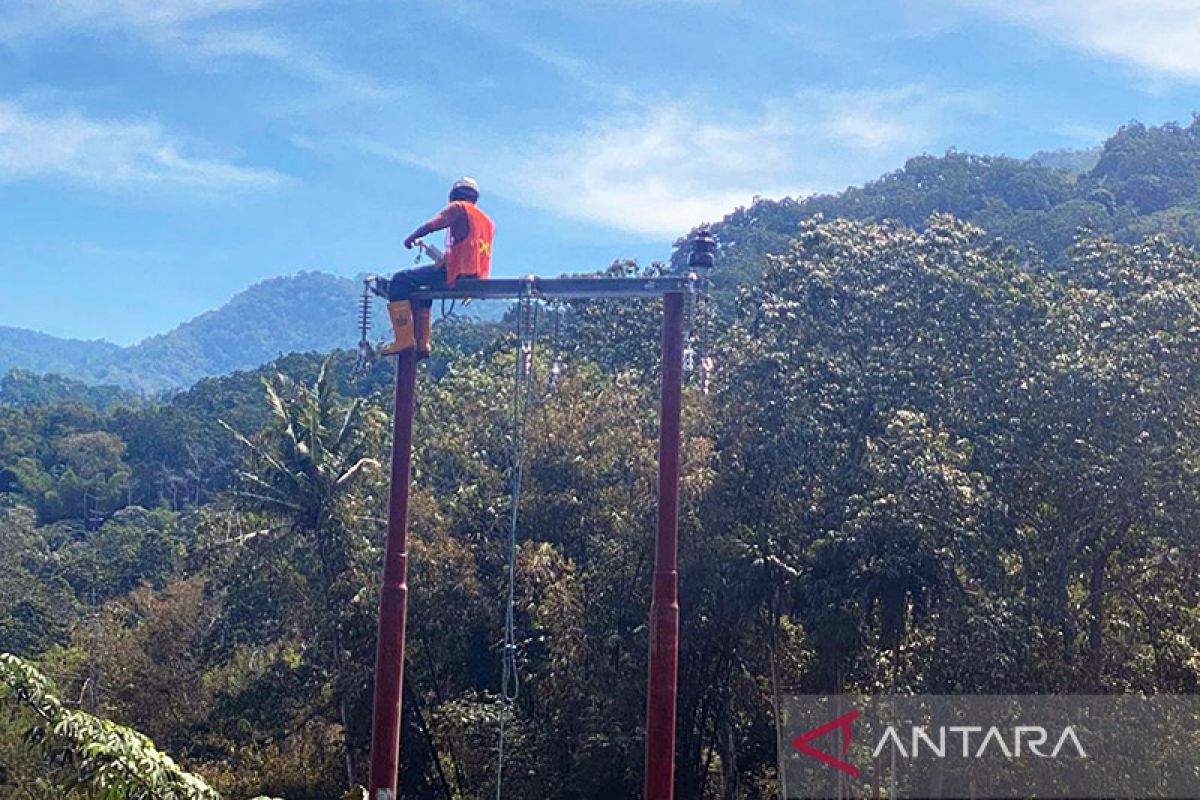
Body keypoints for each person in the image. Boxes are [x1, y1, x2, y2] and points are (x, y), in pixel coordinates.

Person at [380, 177, 495, 357]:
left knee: (399, 281)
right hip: (475, 275)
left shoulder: (459, 208)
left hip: (457, 270)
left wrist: (411, 238)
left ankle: (404, 339)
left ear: (454, 195)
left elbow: (433, 224)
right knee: (423, 287)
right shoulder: (487, 221)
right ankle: (422, 343)